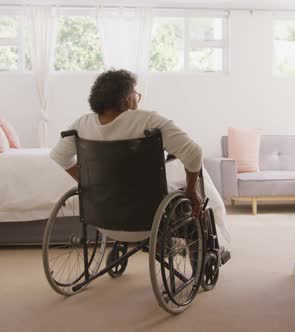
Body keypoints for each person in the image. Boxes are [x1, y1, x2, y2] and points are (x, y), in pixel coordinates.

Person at [50, 69, 227, 243]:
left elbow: (59, 156)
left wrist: (88, 183)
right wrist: (190, 191)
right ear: (127, 98)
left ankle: (158, 244)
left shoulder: (82, 124)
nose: (137, 99)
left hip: (102, 220)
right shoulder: (149, 121)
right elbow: (194, 153)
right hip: (150, 221)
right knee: (193, 203)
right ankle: (196, 259)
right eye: (135, 93)